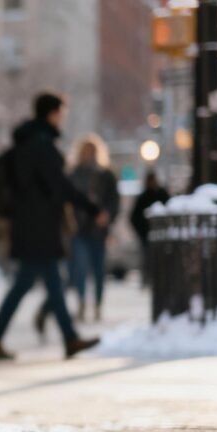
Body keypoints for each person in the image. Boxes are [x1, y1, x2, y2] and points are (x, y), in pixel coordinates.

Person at [0, 92, 106, 361]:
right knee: (39, 281)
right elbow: (60, 187)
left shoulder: (28, 143)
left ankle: (0, 337)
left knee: (39, 282)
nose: (62, 119)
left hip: (30, 225)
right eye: (61, 113)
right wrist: (92, 208)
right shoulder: (41, 145)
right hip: (38, 227)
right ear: (51, 113)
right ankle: (66, 338)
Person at [65, 135, 119, 321]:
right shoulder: (73, 174)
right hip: (79, 229)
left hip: (99, 230)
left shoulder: (106, 175)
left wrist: (107, 216)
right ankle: (81, 302)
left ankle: (97, 304)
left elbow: (114, 201)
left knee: (98, 269)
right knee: (79, 268)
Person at [130, 171, 169, 287]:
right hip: (147, 235)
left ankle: (156, 280)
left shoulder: (162, 194)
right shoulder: (143, 197)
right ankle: (147, 280)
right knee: (147, 259)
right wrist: (141, 231)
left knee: (158, 260)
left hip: (160, 235)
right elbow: (133, 217)